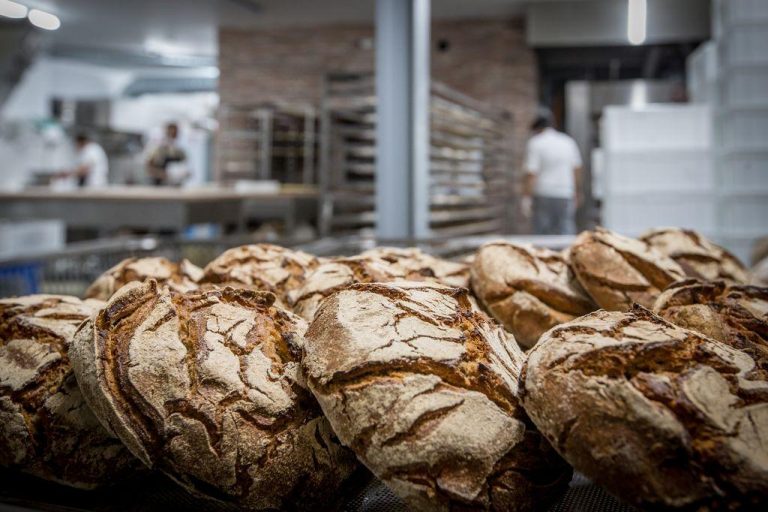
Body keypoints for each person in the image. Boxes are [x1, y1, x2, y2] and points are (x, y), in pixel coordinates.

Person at [523, 112, 582, 235]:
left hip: (543, 192)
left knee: (542, 232)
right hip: (565, 192)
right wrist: (577, 192)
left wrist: (527, 197)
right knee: (565, 230)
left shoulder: (536, 143)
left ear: (537, 128)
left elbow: (531, 173)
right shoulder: (568, 142)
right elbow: (576, 169)